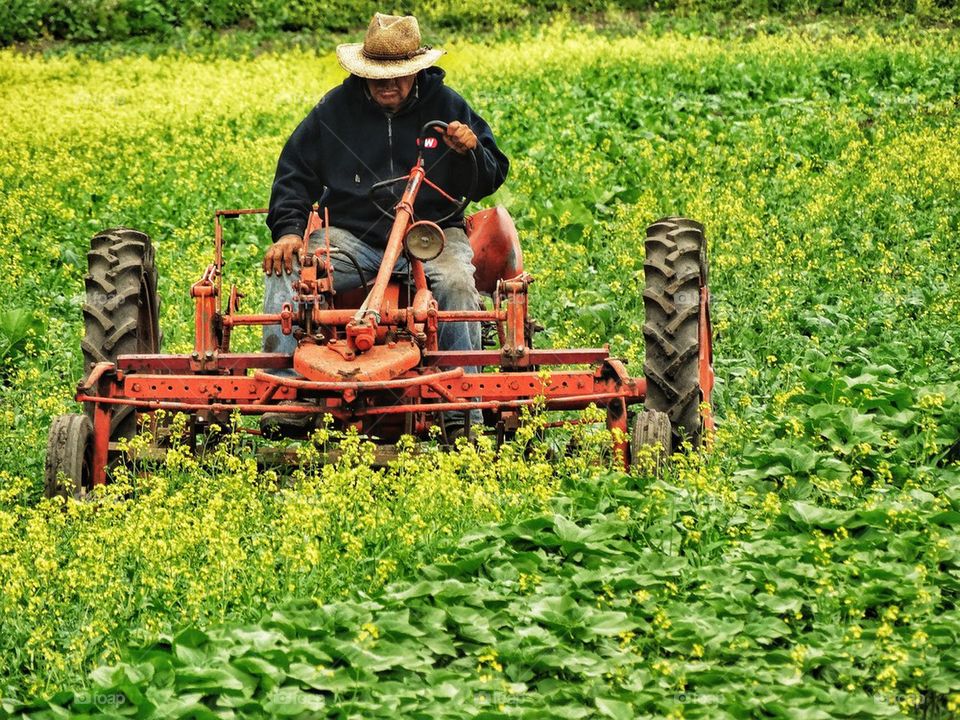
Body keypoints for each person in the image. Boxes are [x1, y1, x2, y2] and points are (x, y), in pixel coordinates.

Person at [262, 12, 509, 434]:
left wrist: (471, 151)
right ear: (363, 72)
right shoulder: (333, 111)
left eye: (397, 74)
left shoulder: (448, 105)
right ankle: (288, 394)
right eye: (377, 75)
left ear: (417, 70)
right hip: (351, 237)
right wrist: (288, 232)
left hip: (430, 235)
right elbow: (294, 174)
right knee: (292, 272)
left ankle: (460, 405)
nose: (387, 84)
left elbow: (492, 173)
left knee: (454, 283)